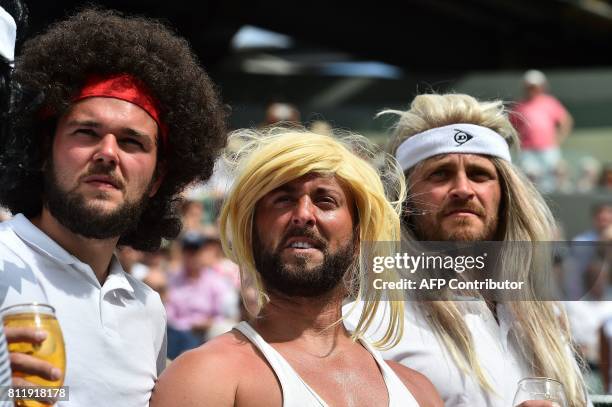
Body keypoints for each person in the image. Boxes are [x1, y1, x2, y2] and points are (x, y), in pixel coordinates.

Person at [0, 7, 227, 406]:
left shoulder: (148, 311)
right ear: (43, 153)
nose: (107, 153)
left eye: (132, 142)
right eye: (86, 132)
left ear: (158, 178)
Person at [151, 128, 443, 407]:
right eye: (283, 200)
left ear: (358, 235)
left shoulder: (419, 392)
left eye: (325, 200)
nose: (303, 215)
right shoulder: (205, 380)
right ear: (251, 232)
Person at [345, 93, 589, 406]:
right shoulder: (367, 325)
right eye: (440, 173)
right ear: (404, 200)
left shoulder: (545, 317)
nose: (463, 189)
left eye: (479, 174)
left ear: (505, 196)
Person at [510, 69, 573, 193]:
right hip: (527, 151)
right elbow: (511, 127)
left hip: (548, 149)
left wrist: (557, 140)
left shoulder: (550, 102)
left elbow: (566, 121)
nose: (532, 90)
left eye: (535, 87)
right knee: (530, 184)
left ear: (541, 87)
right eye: (530, 87)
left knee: (553, 181)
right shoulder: (519, 106)